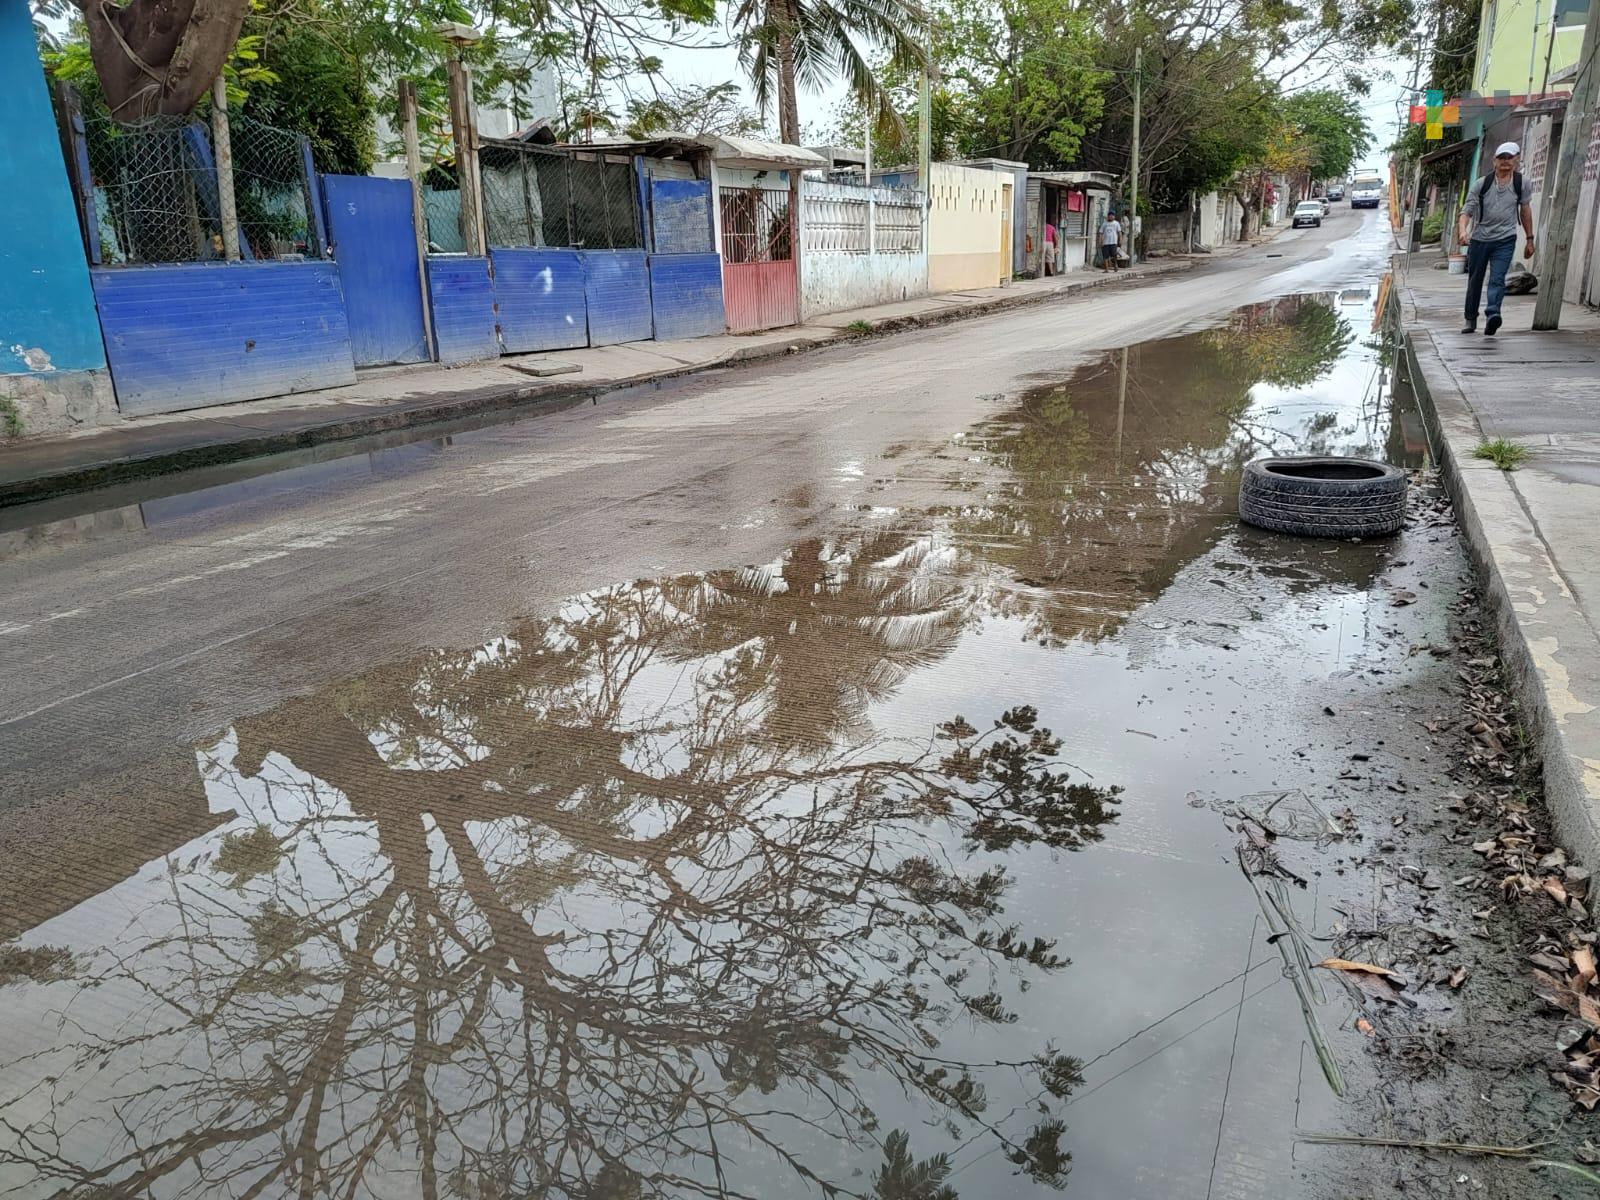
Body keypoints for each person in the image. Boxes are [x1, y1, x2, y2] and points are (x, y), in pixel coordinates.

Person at [1457, 141, 1536, 336]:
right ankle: (1470, 318)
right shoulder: (1482, 184)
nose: (1506, 162)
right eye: (1502, 158)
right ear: (1494, 161)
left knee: (1498, 278)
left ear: (1516, 160)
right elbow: (1466, 211)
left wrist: (1529, 239)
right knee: (1475, 280)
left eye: (1510, 158)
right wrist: (1463, 231)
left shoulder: (1522, 183)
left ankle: (1493, 314)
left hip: (1505, 239)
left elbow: (1525, 210)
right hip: (1480, 239)